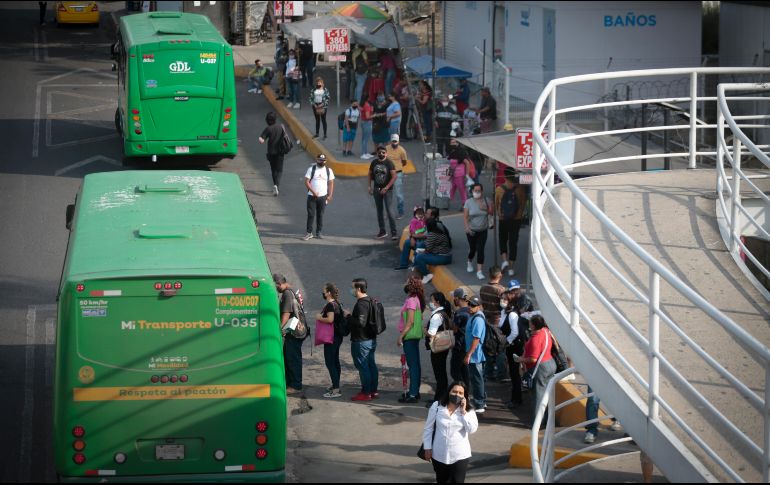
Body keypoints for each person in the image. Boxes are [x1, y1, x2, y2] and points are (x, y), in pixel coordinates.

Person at [422, 381, 479, 484]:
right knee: (441, 480)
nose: (457, 395)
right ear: (449, 392)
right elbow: (428, 428)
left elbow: (472, 429)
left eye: (460, 393)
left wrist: (463, 412)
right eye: (454, 391)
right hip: (439, 454)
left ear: (464, 396)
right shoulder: (437, 406)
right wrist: (427, 448)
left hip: (459, 455)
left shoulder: (469, 410)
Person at [515, 315, 556, 424]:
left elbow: (533, 359)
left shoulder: (535, 339)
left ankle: (538, 424)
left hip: (541, 368)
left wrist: (520, 359)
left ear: (533, 325)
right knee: (547, 395)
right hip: (551, 364)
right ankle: (547, 421)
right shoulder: (545, 331)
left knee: (538, 397)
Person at [344, 278, 380, 401]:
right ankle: (373, 390)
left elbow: (360, 322)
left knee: (363, 367)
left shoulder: (361, 304)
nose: (351, 290)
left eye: (353, 287)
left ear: (358, 289)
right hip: (371, 339)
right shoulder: (370, 300)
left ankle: (366, 393)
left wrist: (348, 316)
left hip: (361, 341)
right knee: (371, 366)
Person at [274, 273, 305, 393]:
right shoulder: (294, 289)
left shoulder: (287, 293)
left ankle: (295, 385)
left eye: (276, 286)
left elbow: (286, 314)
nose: (276, 289)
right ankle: (292, 383)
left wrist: (280, 329)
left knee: (292, 358)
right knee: (292, 357)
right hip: (299, 328)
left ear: (279, 283)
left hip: (294, 331)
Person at [397, 275, 426, 403]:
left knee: (413, 365)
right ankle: (415, 391)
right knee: (415, 365)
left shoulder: (411, 300)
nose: (404, 283)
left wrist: (401, 336)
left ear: (410, 285)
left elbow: (410, 322)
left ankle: (413, 394)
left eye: (406, 282)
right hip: (413, 336)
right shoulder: (415, 298)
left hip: (409, 336)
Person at [495, 169, 527, 276]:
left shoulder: (499, 189)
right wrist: (520, 214)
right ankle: (511, 268)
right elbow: (523, 204)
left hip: (503, 219)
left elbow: (496, 204)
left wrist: (500, 214)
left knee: (502, 240)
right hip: (516, 220)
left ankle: (504, 260)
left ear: (504, 177)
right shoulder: (520, 189)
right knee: (513, 243)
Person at [316, 283, 345, 398]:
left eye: (324, 291)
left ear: (328, 292)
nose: (323, 293)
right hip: (337, 337)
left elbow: (330, 319)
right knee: (335, 361)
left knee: (330, 362)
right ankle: (335, 384)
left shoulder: (330, 305)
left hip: (331, 337)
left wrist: (319, 317)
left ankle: (336, 389)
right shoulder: (337, 303)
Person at [479, 266, 507, 381]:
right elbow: (504, 306)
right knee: (500, 349)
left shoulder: (483, 288)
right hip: (498, 323)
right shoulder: (501, 290)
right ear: (499, 276)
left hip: (486, 321)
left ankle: (488, 373)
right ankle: (501, 375)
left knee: (488, 348)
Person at [426, 292, 453, 404]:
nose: (430, 302)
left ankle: (439, 399)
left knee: (439, 374)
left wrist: (424, 331)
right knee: (441, 373)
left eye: (431, 300)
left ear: (437, 302)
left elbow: (431, 334)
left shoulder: (436, 316)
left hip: (437, 348)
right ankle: (442, 396)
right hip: (444, 346)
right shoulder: (444, 313)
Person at [463, 183, 493, 280]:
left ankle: (479, 271)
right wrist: (467, 228)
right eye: (475, 191)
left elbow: (492, 212)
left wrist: (484, 207)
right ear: (472, 192)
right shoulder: (468, 202)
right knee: (473, 249)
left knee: (480, 249)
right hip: (472, 230)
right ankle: (469, 261)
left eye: (479, 191)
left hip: (483, 230)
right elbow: (465, 217)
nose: (477, 192)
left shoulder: (487, 200)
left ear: (482, 191)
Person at [368, 145, 398, 240]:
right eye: (379, 152)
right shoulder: (374, 162)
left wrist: (387, 187)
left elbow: (394, 176)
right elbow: (369, 174)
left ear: (386, 153)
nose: (381, 154)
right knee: (379, 211)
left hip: (387, 190)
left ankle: (394, 232)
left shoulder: (389, 163)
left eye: (383, 152)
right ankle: (382, 231)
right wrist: (369, 186)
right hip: (377, 189)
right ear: (377, 153)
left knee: (389, 211)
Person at [303, 154, 335, 241]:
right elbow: (306, 182)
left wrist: (330, 195)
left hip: (323, 197)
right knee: (311, 214)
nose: (321, 162)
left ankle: (319, 232)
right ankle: (309, 233)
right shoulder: (311, 169)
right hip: (312, 196)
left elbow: (331, 182)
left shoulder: (328, 171)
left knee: (320, 215)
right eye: (320, 160)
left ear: (325, 161)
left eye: (323, 160)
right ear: (317, 160)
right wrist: (313, 192)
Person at [499, 290, 522, 409]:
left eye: (505, 299)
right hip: (508, 346)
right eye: (501, 298)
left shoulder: (512, 314)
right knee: (512, 373)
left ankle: (516, 399)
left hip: (514, 347)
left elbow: (515, 332)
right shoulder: (504, 312)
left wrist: (506, 342)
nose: (502, 301)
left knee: (514, 373)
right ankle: (515, 397)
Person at [414, 216, 453, 285]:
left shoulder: (432, 234)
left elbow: (428, 249)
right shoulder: (439, 231)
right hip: (445, 255)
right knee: (419, 253)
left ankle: (427, 275)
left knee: (419, 257)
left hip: (443, 257)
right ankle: (418, 272)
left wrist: (420, 251)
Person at [464, 297, 487, 413]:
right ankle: (481, 400)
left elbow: (476, 338)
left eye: (473, 305)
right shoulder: (473, 316)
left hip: (475, 355)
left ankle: (479, 404)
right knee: (478, 378)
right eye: (469, 304)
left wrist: (469, 354)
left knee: (477, 379)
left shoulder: (478, 319)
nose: (470, 307)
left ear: (479, 306)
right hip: (474, 354)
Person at [258, 111, 285, 196]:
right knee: (279, 170)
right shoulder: (281, 127)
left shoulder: (268, 129)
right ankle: (277, 186)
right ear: (275, 119)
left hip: (271, 153)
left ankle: (275, 186)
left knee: (273, 170)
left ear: (267, 120)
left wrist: (260, 138)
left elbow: (261, 140)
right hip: (280, 152)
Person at [450, 288, 471, 386]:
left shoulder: (459, 313)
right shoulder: (471, 310)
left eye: (454, 298)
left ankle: (459, 391)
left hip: (459, 346)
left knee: (455, 372)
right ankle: (466, 392)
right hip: (468, 346)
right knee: (464, 371)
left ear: (457, 298)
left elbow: (454, 329)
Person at [394, 206, 426, 270]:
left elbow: (425, 234)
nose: (420, 215)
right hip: (417, 238)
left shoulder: (425, 220)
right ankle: (403, 264)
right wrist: (413, 237)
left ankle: (415, 266)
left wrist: (415, 235)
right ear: (415, 214)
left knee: (419, 246)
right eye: (418, 213)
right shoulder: (413, 221)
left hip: (423, 240)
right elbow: (412, 231)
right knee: (407, 243)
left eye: (421, 213)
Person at [386, 133, 408, 219]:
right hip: (388, 174)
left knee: (399, 195)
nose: (394, 143)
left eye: (395, 141)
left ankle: (401, 212)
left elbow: (404, 162)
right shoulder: (386, 148)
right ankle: (389, 213)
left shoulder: (402, 150)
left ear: (398, 142)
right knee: (387, 194)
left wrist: (397, 167)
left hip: (398, 173)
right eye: (393, 141)